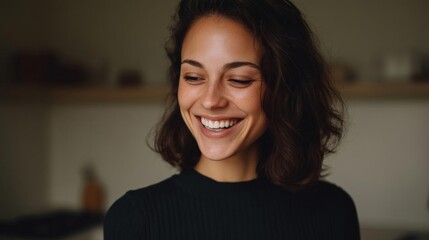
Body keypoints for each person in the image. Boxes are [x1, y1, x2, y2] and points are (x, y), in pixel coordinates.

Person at [104, 0, 360, 239]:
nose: (211, 100)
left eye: (239, 80)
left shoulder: (333, 212)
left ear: (284, 89)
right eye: (193, 77)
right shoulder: (135, 220)